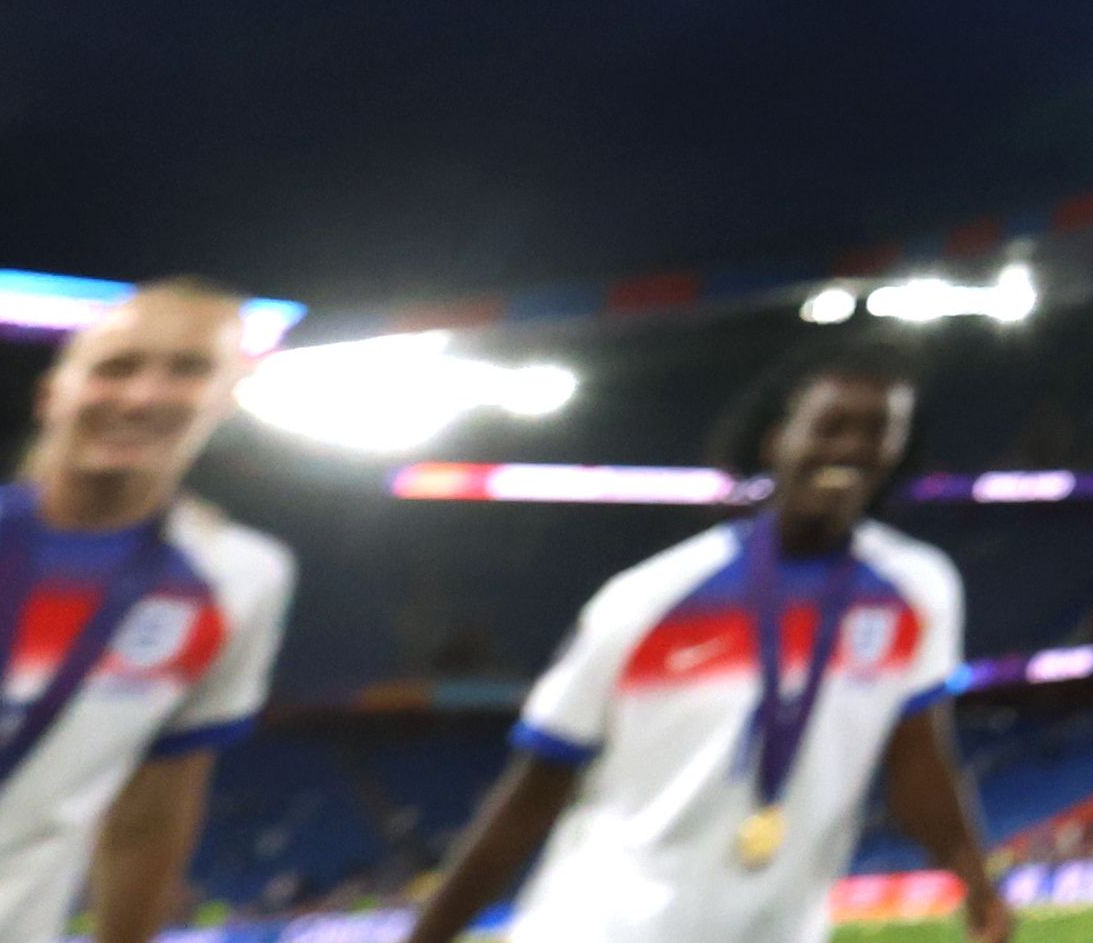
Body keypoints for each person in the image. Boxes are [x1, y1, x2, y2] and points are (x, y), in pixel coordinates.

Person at [403, 354, 1006, 943]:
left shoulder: (919, 588)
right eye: (831, 427)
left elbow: (917, 758)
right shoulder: (650, 597)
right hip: (601, 926)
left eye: (878, 432)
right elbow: (529, 799)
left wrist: (975, 881)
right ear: (777, 441)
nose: (852, 448)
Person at [0, 281, 292, 943]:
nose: (142, 396)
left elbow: (152, 815)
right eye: (116, 367)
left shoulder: (241, 578)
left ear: (227, 398)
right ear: (52, 393)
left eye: (188, 369)